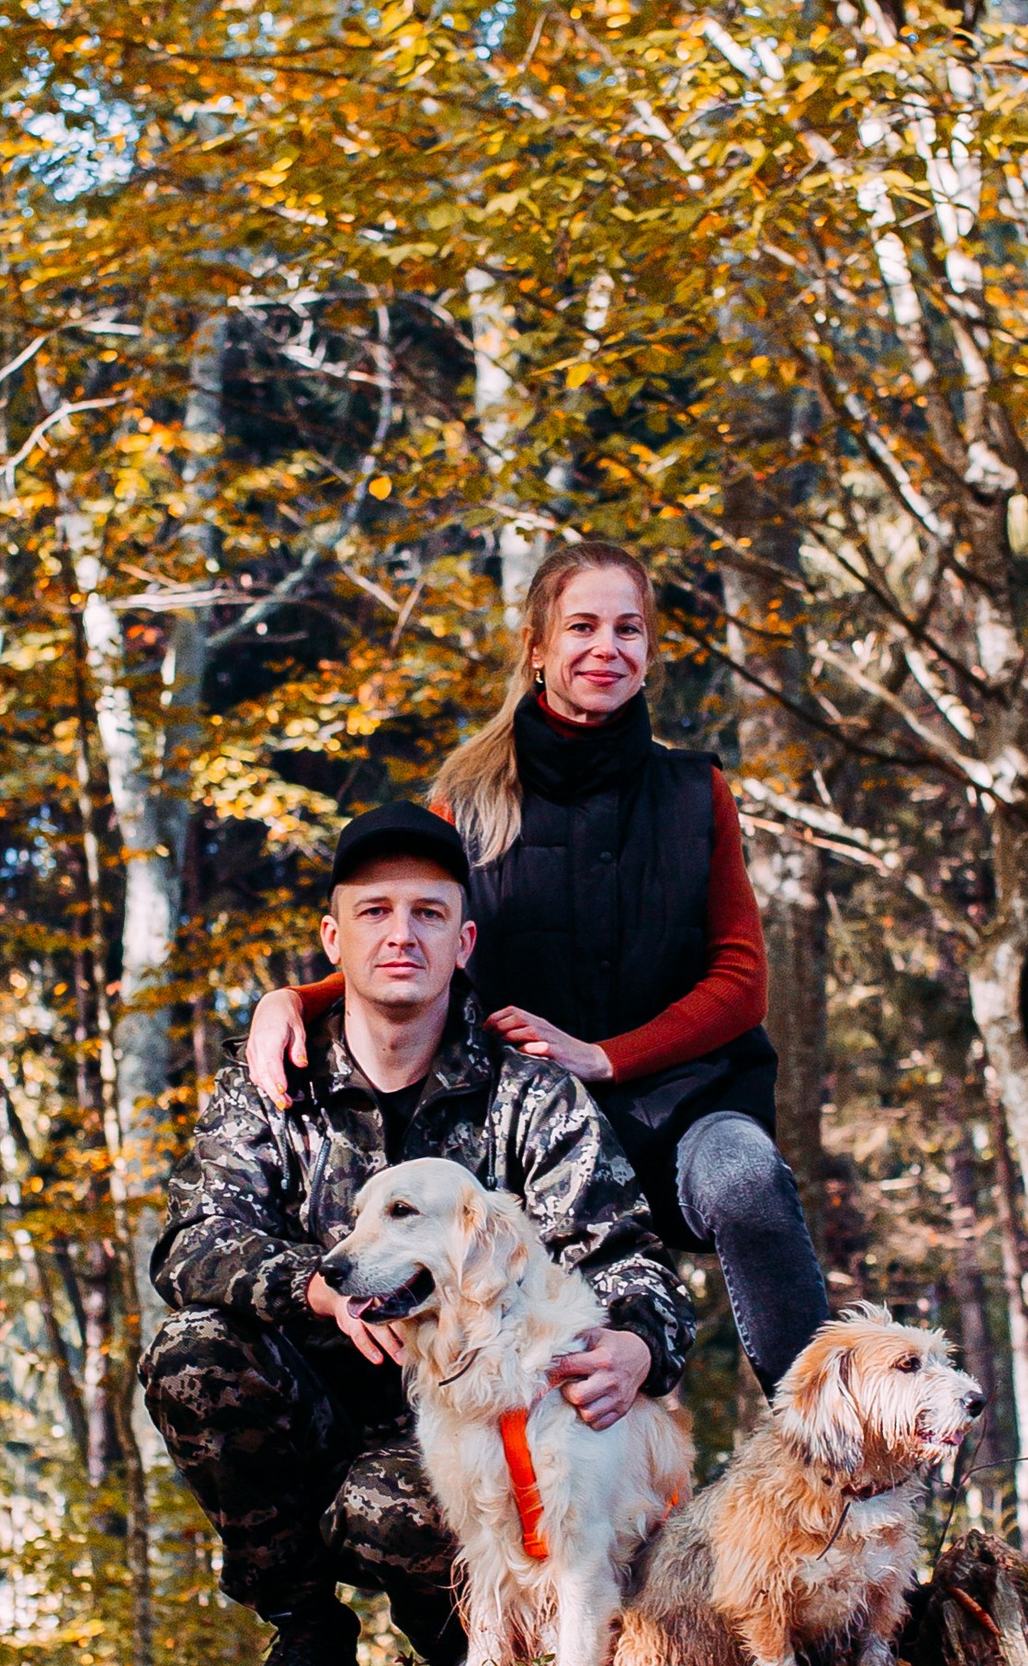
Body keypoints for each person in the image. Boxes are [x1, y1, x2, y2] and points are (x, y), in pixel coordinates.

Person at [144, 801, 695, 1666]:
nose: (401, 934)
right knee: (190, 1349)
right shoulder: (274, 1086)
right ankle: (307, 1633)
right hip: (313, 1408)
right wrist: (314, 1287)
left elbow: (630, 1258)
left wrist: (638, 1345)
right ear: (334, 937)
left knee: (396, 1517)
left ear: (465, 939)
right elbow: (191, 1242)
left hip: (472, 1427)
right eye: (375, 911)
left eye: (429, 914)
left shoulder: (530, 1094)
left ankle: (481, 1658)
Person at [246, 544, 830, 1392]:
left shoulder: (695, 794)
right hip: (533, 1135)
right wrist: (294, 997)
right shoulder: (468, 803)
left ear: (649, 650)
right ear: (537, 648)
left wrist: (607, 1056)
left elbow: (741, 985)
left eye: (629, 629)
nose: (607, 648)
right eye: (582, 626)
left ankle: (824, 1448)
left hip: (685, 1109)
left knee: (746, 1177)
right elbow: (415, 943)